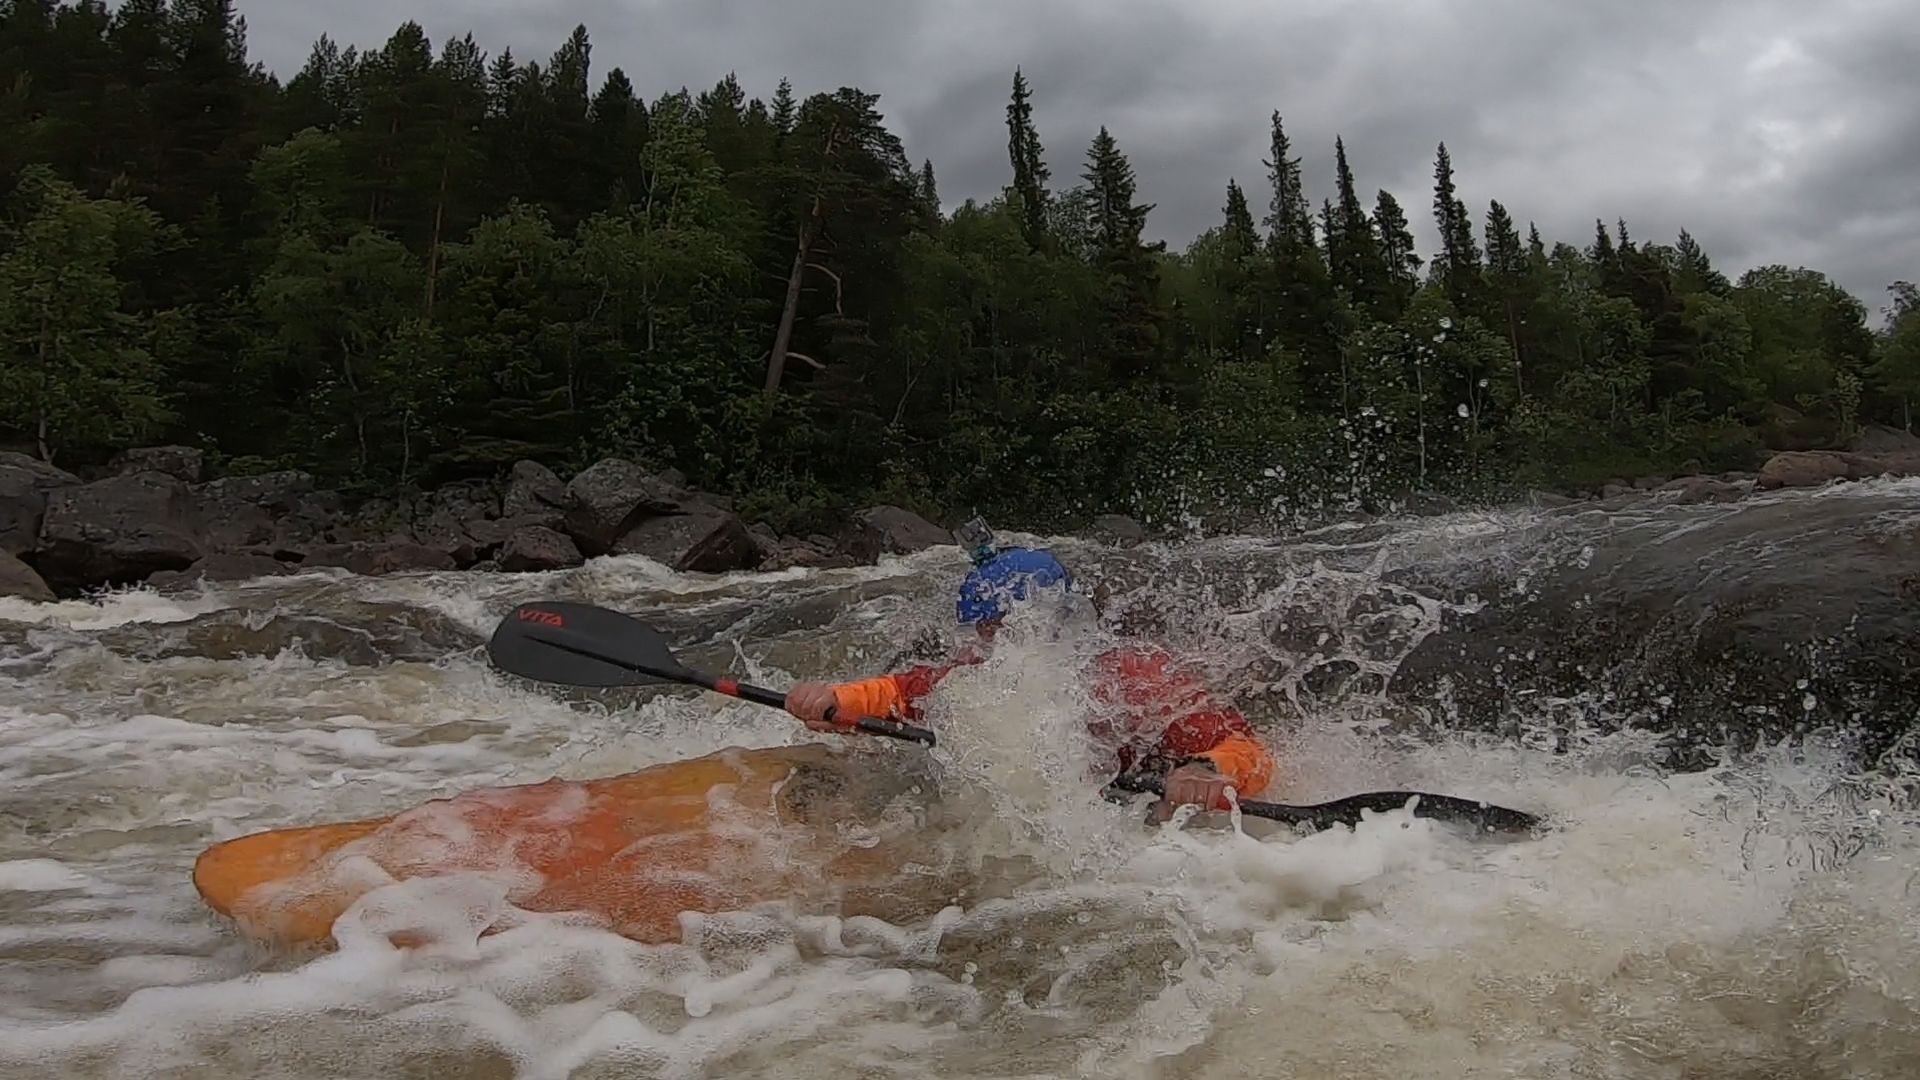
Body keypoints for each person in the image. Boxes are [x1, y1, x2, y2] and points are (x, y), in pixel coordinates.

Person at [784, 533, 1276, 821]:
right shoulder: (974, 679)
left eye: (1005, 631)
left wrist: (1206, 770)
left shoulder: (1135, 680)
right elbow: (894, 692)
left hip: (1145, 818)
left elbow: (1250, 750)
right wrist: (834, 698)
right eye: (985, 635)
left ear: (1062, 621)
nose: (994, 648)